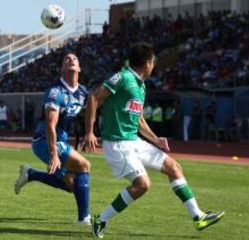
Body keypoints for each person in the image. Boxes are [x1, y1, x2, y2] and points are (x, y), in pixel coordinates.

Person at [84, 42, 224, 238]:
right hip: (117, 143)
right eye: (153, 62)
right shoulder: (123, 77)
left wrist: (156, 140)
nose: (154, 66)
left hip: (134, 141)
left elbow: (139, 119)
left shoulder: (141, 85)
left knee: (174, 167)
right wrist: (89, 132)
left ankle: (198, 216)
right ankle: (101, 219)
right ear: (147, 62)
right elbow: (94, 97)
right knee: (143, 185)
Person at [14, 53, 91, 225]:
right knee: (84, 165)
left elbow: (92, 108)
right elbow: (50, 125)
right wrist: (54, 154)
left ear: (79, 68)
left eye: (75, 59)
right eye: (66, 59)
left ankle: (31, 174)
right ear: (62, 68)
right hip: (44, 140)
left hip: (59, 141)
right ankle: (84, 219)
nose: (70, 60)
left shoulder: (83, 92)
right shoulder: (55, 91)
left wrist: (89, 132)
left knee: (73, 185)